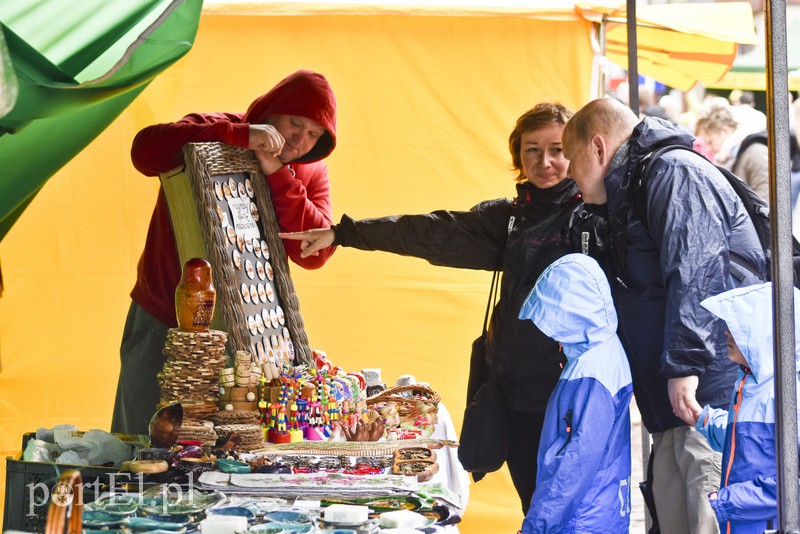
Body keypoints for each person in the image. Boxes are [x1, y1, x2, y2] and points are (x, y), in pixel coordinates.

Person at [281, 102, 586, 513]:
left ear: (577, 151)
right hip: (513, 393)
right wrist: (345, 233)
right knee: (534, 507)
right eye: (532, 149)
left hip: (568, 395)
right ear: (518, 156)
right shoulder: (512, 218)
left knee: (567, 509)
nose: (544, 162)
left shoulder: (592, 219)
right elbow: (431, 231)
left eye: (557, 150)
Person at [562, 97, 766, 533]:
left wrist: (685, 366)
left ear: (598, 148)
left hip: (705, 394)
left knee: (706, 515)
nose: (569, 175)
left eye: (571, 160)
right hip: (677, 399)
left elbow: (696, 272)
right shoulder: (633, 189)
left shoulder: (673, 172)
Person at [112, 69, 338, 435]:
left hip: (248, 332)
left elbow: (314, 253)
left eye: (314, 134)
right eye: (295, 123)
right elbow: (145, 151)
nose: (300, 140)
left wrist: (278, 173)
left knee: (224, 445)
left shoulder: (310, 172)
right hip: (162, 310)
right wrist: (241, 137)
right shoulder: (217, 129)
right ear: (270, 111)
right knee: (139, 434)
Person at [517, 253, 633, 533]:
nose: (549, 330)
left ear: (572, 311)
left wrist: (537, 526)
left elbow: (575, 465)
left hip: (581, 518)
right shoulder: (599, 352)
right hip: (598, 509)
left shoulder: (591, 370)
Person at [695, 282, 800, 533]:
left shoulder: (786, 393)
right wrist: (705, 419)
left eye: (739, 326)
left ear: (765, 333)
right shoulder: (749, 385)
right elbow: (747, 441)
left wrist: (728, 500)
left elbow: (792, 483)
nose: (727, 333)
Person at [694, 104, 770, 205]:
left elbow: (766, 203)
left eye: (710, 142)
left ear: (724, 131)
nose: (708, 148)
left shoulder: (756, 152)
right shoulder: (729, 156)